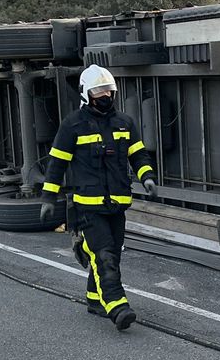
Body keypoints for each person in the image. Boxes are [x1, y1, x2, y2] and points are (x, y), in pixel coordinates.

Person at [39, 64, 157, 331]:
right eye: (99, 90)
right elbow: (57, 164)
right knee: (104, 254)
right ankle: (117, 305)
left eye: (108, 90)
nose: (105, 95)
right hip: (87, 207)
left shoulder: (125, 122)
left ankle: (95, 299)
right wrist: (48, 197)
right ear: (86, 93)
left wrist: (147, 177)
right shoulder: (72, 125)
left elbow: (138, 155)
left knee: (111, 253)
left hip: (117, 204)